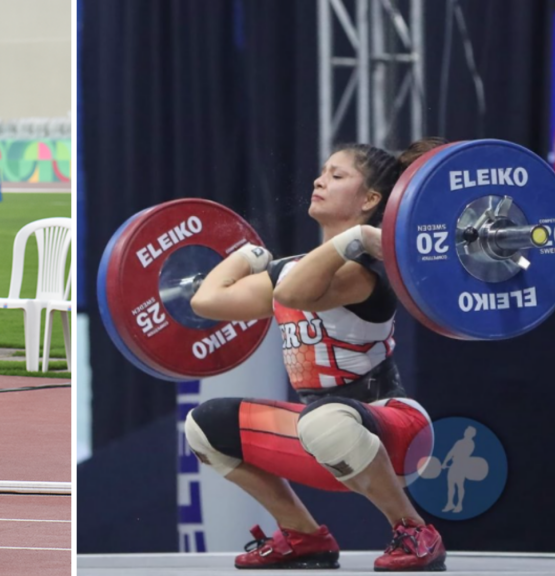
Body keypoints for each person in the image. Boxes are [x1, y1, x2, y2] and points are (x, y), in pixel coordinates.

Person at [187, 139, 447, 571]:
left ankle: (415, 529)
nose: (318, 180)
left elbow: (292, 292)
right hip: (321, 438)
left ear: (369, 199)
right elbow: (206, 301)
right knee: (204, 427)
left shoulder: (360, 272)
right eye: (323, 172)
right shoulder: (300, 267)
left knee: (324, 419)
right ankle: (303, 536)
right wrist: (244, 256)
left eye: (336, 175)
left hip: (396, 432)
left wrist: (357, 240)